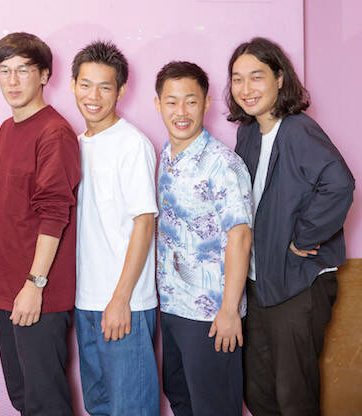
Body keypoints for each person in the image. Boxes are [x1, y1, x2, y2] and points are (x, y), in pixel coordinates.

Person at [226, 37, 355, 416]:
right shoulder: (249, 132)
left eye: (256, 76)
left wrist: (304, 237)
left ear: (280, 79)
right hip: (258, 282)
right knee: (258, 392)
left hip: (298, 283)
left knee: (294, 395)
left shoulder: (298, 129)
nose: (245, 88)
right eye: (237, 79)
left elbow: (340, 184)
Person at [0, 32, 81, 416]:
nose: (13, 80)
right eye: (5, 71)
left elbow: (54, 212)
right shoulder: (7, 128)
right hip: (4, 286)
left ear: (44, 75)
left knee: (45, 402)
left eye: (23, 70)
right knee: (21, 396)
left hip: (36, 290)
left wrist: (34, 285)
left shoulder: (54, 132)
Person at [154, 61, 252, 416]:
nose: (181, 112)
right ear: (158, 105)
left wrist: (229, 310)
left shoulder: (222, 163)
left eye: (191, 101)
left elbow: (240, 237)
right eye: (172, 101)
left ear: (206, 103)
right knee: (181, 398)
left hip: (211, 314)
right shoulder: (166, 155)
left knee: (215, 407)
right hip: (173, 306)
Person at [71, 40, 160, 416]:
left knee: (131, 409)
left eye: (105, 87)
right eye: (85, 85)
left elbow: (144, 222)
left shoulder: (132, 145)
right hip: (86, 302)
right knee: (99, 406)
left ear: (121, 91)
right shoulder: (74, 144)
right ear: (73, 85)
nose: (93, 96)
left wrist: (121, 299)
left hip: (126, 304)